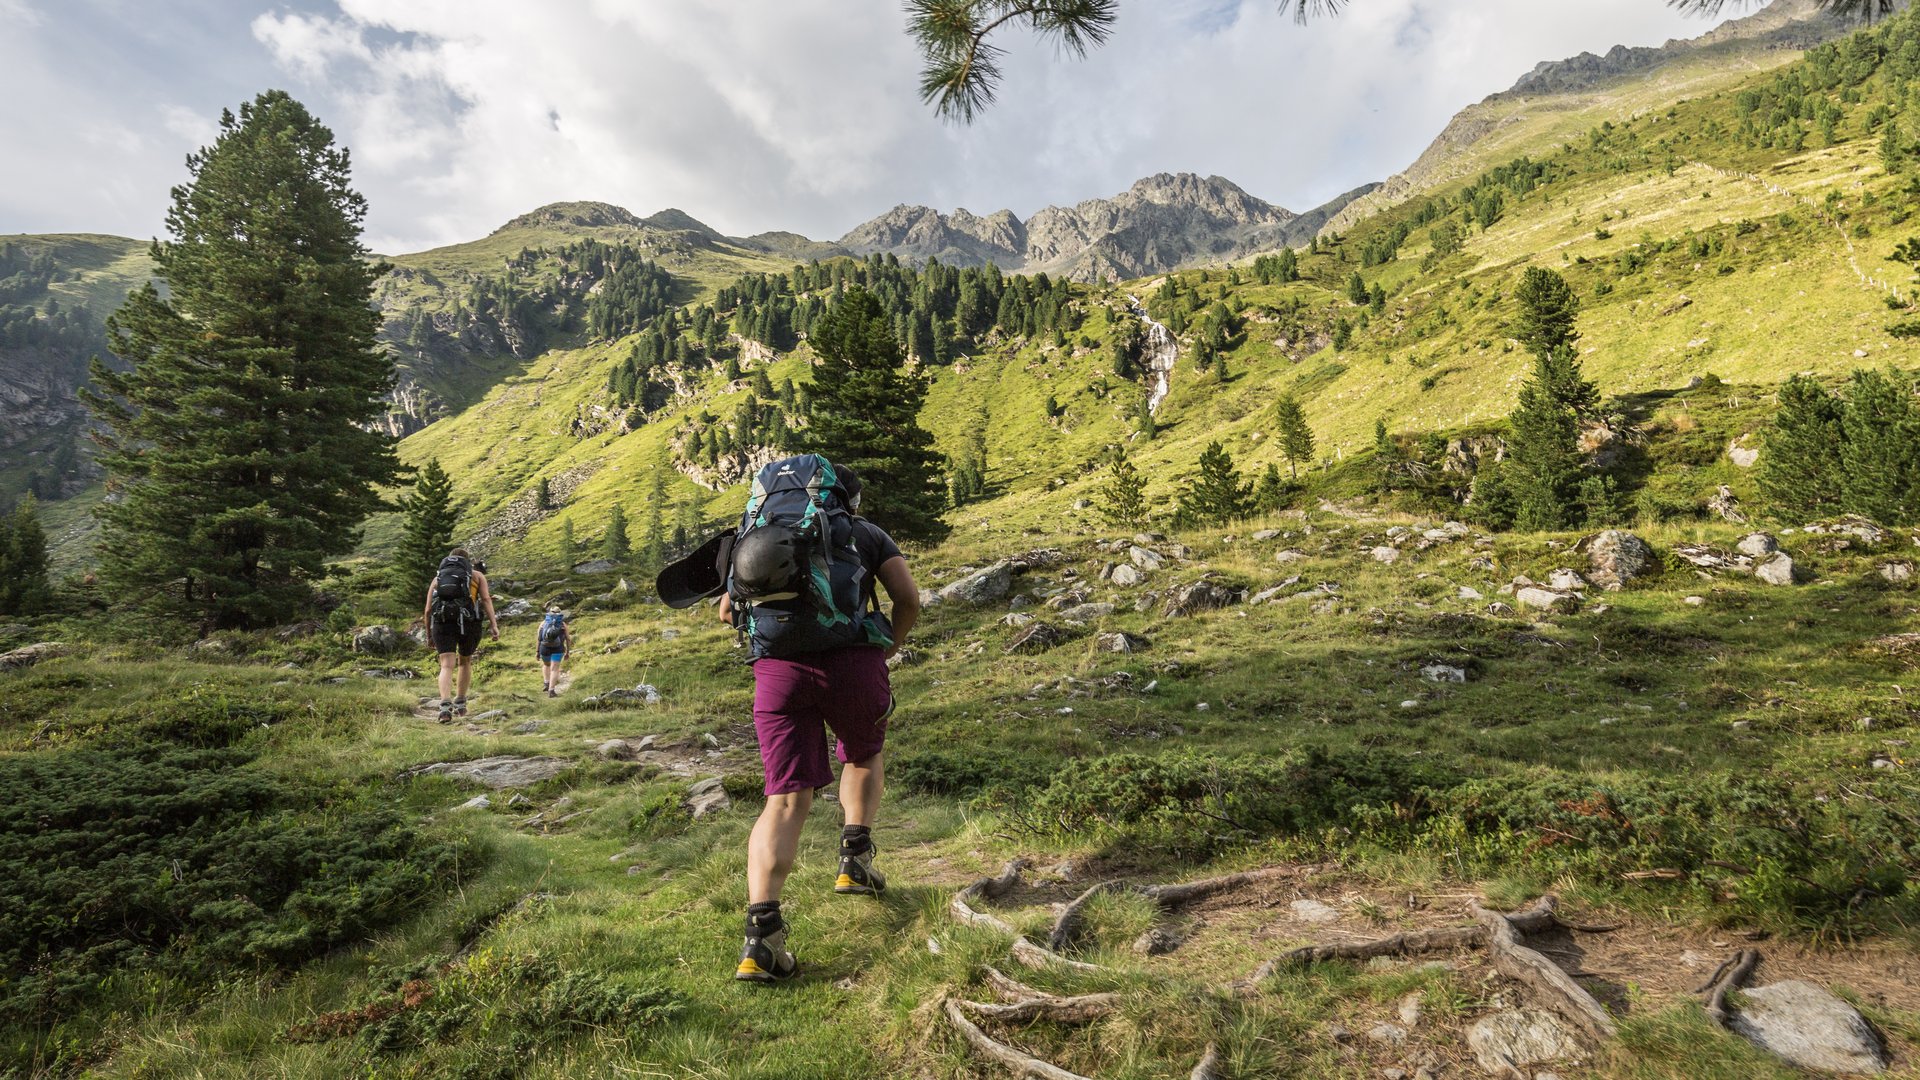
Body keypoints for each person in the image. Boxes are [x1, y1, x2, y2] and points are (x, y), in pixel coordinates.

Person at [719, 465, 919, 982]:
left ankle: (761, 941)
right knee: (863, 752)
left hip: (778, 675)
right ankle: (854, 861)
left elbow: (727, 610)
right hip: (853, 663)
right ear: (845, 498)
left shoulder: (757, 534)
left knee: (783, 800)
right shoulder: (866, 533)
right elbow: (908, 597)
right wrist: (888, 648)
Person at [423, 546, 499, 722]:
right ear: (467, 562)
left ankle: (444, 706)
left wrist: (428, 635)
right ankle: (460, 703)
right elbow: (486, 600)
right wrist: (493, 625)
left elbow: (427, 610)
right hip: (469, 623)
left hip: (442, 624)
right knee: (464, 662)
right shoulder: (477, 576)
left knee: (446, 665)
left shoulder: (438, 578)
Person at [537, 608, 572, 697]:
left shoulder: (543, 623)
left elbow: (539, 638)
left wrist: (537, 651)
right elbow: (568, 639)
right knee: (554, 669)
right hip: (558, 648)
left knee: (546, 665)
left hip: (544, 648)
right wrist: (568, 652)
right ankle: (551, 691)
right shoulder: (563, 624)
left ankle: (546, 683)